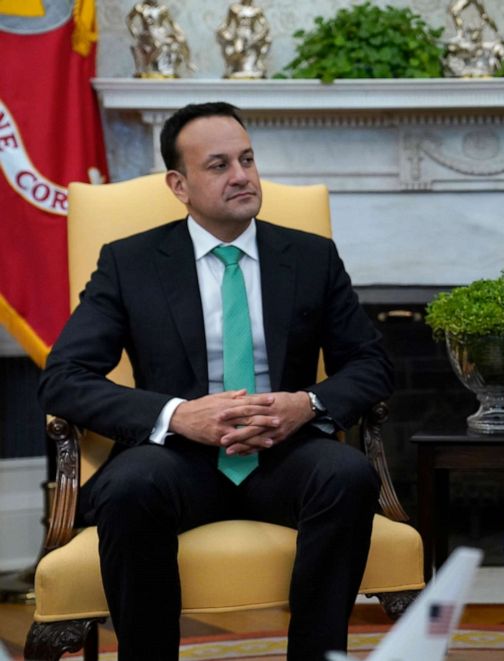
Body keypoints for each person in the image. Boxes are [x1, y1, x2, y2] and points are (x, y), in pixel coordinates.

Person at [38, 102, 393, 660]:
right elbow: (63, 378)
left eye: (248, 160)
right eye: (220, 165)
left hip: (286, 454)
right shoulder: (130, 263)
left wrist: (308, 403)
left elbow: (372, 364)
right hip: (175, 458)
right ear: (178, 184)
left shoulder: (309, 257)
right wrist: (177, 415)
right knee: (130, 487)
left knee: (346, 474)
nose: (242, 177)